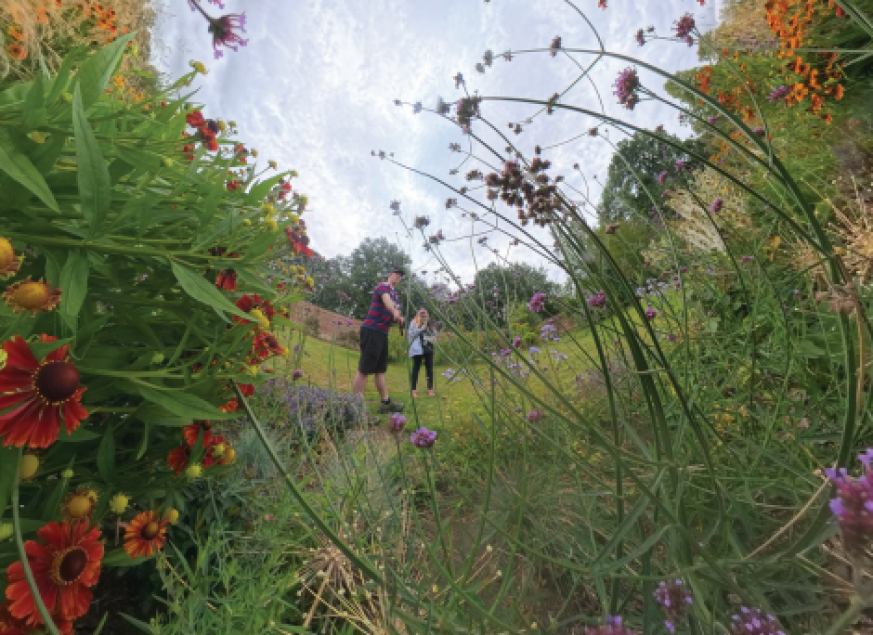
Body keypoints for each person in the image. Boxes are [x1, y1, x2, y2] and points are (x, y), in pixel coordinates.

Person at [353, 267, 405, 413]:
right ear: (390, 275)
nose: (398, 277)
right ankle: (357, 405)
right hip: (372, 330)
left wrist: (400, 319)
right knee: (365, 368)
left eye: (400, 276)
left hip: (383, 333)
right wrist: (395, 311)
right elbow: (387, 303)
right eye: (396, 274)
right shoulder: (383, 286)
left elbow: (396, 312)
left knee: (380, 369)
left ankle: (385, 402)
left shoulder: (396, 295)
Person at [407, 308, 436, 397]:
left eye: (425, 315)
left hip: (428, 348)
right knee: (416, 368)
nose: (424, 316)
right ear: (419, 315)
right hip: (418, 349)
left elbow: (434, 335)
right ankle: (413, 390)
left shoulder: (430, 322)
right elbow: (411, 334)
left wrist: (432, 333)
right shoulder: (414, 322)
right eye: (422, 315)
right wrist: (421, 329)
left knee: (429, 369)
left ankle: (430, 389)